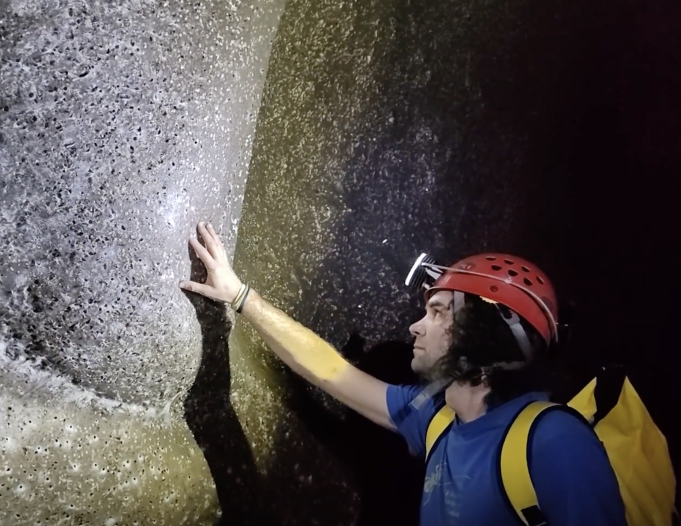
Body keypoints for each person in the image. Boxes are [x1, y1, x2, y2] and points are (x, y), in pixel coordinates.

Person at [179, 222, 627, 526]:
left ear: (482, 340)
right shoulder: (434, 417)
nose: (416, 325)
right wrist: (238, 295)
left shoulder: (553, 442)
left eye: (436, 312)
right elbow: (331, 370)